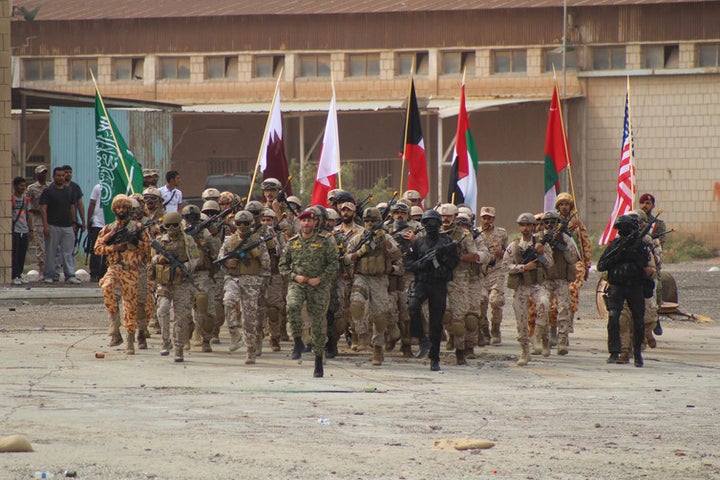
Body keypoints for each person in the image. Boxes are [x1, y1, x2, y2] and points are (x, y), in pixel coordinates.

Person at [279, 209, 339, 378]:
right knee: (292, 306)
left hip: (318, 286)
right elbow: (282, 266)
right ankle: (297, 340)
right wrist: (294, 276)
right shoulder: (292, 242)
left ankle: (318, 359)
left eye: (309, 221)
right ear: (300, 223)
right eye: (303, 221)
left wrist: (320, 279)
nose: (306, 224)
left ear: (314, 223)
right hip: (298, 284)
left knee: (318, 323)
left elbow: (333, 264)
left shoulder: (325, 241)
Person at [343, 207, 402, 366]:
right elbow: (347, 259)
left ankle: (377, 347)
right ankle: (360, 334)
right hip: (361, 277)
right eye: (367, 220)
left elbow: (397, 255)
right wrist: (362, 250)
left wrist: (385, 243)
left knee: (379, 316)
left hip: (379, 279)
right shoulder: (357, 238)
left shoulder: (386, 237)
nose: (369, 223)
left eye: (373, 221)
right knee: (356, 305)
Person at [94, 195, 151, 353]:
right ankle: (114, 323)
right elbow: (98, 248)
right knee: (106, 286)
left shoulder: (137, 228)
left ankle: (130, 340)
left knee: (130, 306)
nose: (121, 210)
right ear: (114, 210)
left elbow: (147, 247)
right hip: (115, 267)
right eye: (119, 208)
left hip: (132, 270)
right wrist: (114, 247)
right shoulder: (108, 229)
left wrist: (134, 242)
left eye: (125, 207)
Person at [404, 209, 460, 371]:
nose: (431, 226)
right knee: (412, 306)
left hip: (438, 285)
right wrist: (422, 264)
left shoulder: (446, 242)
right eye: (428, 223)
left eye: (434, 223)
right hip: (422, 282)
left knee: (436, 323)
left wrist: (441, 260)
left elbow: (454, 262)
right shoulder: (417, 243)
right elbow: (408, 263)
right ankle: (422, 339)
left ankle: (434, 358)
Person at [597, 215, 654, 367]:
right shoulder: (614, 245)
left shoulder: (640, 246)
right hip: (617, 286)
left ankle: (637, 353)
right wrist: (619, 252)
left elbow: (645, 265)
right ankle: (614, 351)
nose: (624, 231)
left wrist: (633, 251)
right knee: (614, 317)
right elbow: (601, 265)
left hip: (635, 286)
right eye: (622, 228)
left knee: (638, 320)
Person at [437, 203, 488, 365]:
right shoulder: (436, 232)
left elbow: (476, 255)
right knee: (444, 313)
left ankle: (463, 348)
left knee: (463, 317)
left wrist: (458, 257)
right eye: (443, 216)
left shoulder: (466, 235)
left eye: (449, 216)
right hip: (441, 276)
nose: (445, 219)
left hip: (461, 277)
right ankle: (448, 338)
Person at [216, 210, 270, 363]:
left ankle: (250, 348)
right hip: (233, 278)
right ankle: (234, 332)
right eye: (239, 223)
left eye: (246, 223)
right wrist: (227, 263)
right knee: (228, 301)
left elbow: (267, 264)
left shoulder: (258, 241)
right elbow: (220, 261)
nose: (242, 226)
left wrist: (257, 254)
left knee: (249, 317)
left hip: (252, 281)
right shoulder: (228, 241)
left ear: (251, 224)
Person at [503, 213, 554, 366]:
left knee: (544, 305)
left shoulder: (541, 244)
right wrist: (524, 267)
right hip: (521, 286)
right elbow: (506, 266)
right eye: (522, 225)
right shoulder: (514, 246)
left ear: (533, 227)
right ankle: (525, 351)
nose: (525, 228)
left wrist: (540, 255)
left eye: (528, 225)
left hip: (538, 284)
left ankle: (541, 336)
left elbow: (550, 263)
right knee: (521, 321)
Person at [151, 211, 200, 362]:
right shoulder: (160, 241)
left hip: (182, 284)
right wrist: (161, 258)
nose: (172, 228)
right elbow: (152, 259)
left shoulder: (188, 240)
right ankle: (166, 341)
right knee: (162, 309)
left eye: (174, 225)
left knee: (181, 317)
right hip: (165, 282)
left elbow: (195, 258)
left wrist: (184, 267)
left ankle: (179, 348)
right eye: (168, 226)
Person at [538, 211, 580, 355]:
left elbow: (574, 258)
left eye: (553, 222)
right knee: (543, 308)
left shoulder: (566, 238)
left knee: (564, 308)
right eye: (547, 222)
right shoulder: (538, 238)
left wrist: (561, 243)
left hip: (561, 278)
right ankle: (544, 340)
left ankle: (562, 339)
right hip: (545, 279)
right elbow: (534, 258)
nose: (550, 225)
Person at [555, 193, 591, 345]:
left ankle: (566, 331)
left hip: (575, 262)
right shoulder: (552, 221)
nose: (564, 207)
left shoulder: (577, 223)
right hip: (557, 262)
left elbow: (585, 244)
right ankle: (552, 329)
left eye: (567, 204)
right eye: (561, 204)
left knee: (572, 293)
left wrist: (587, 265)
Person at [40, 167, 80, 284]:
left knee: (68, 252)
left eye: (63, 175)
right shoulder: (48, 191)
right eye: (58, 176)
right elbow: (43, 208)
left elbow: (72, 207)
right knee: (51, 252)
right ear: (54, 177)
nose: (61, 178)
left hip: (67, 226)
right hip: (53, 225)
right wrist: (46, 225)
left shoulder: (69, 191)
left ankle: (70, 275)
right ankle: (49, 275)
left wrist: (74, 222)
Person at [477, 206, 509, 345]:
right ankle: (484, 329)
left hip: (497, 271)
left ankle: (495, 329)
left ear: (494, 219)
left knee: (495, 300)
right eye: (484, 217)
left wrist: (501, 253)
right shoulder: (475, 233)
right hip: (481, 272)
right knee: (481, 301)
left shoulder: (501, 233)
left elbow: (509, 252)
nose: (486, 220)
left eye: (489, 218)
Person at [26, 165, 49, 274]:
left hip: (50, 219)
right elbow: (27, 203)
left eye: (44, 172)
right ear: (37, 174)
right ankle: (42, 270)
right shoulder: (32, 188)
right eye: (41, 173)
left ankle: (51, 269)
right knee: (40, 246)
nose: (43, 175)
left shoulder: (50, 186)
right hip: (38, 219)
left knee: (51, 246)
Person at [11, 177, 32, 285]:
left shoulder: (26, 199)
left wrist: (30, 229)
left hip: (24, 229)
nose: (23, 188)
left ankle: (19, 274)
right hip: (15, 230)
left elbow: (28, 215)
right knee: (14, 253)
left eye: (24, 185)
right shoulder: (11, 199)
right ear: (15, 186)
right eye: (21, 185)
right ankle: (14, 275)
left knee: (22, 254)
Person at [86, 183, 107, 282]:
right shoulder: (98, 187)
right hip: (98, 223)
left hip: (111, 224)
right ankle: (94, 273)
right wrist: (89, 220)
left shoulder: (116, 186)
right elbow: (92, 203)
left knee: (108, 251)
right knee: (96, 249)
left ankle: (104, 273)